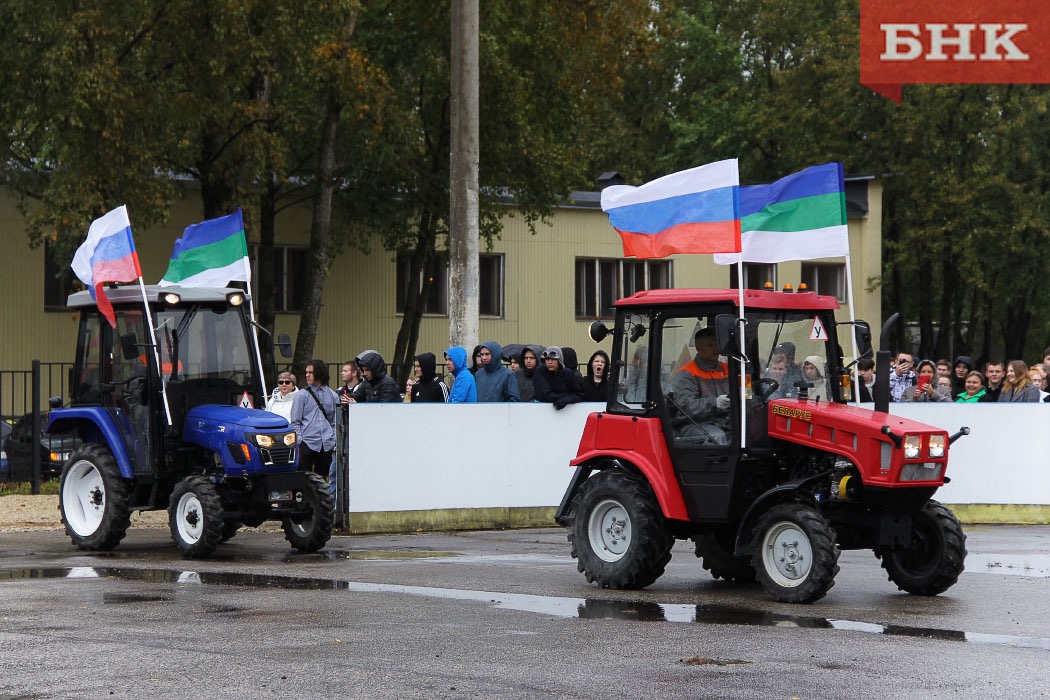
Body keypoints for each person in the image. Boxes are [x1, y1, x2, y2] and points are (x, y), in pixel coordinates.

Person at [669, 328, 730, 444]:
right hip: (694, 423)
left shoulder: (729, 369)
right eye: (710, 345)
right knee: (716, 436)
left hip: (725, 420)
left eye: (717, 344)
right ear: (697, 348)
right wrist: (715, 403)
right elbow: (686, 406)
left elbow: (746, 393)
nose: (715, 349)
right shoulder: (686, 374)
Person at [289, 360, 339, 486]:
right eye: (306, 372)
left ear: (319, 373)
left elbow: (335, 420)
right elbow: (295, 421)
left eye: (311, 372)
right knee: (302, 478)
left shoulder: (332, 395)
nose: (307, 375)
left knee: (321, 480)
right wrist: (300, 440)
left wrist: (332, 438)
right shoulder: (301, 395)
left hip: (326, 443)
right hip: (307, 442)